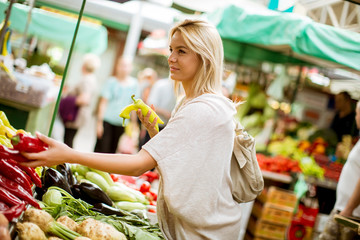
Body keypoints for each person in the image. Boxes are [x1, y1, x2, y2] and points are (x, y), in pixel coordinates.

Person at [22, 19, 242, 239]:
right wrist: (155, 132)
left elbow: (139, 165)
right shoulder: (194, 102)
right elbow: (183, 160)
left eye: (181, 51)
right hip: (200, 225)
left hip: (204, 232)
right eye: (171, 49)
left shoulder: (202, 108)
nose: (171, 58)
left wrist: (70, 154)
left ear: (204, 57)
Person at [319, 100, 360, 240]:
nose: (356, 117)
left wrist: (349, 208)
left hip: (351, 214)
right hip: (346, 209)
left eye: (357, 114)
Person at [94, 57, 139, 153]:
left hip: (121, 123)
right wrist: (99, 123)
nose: (123, 68)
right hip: (107, 121)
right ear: (117, 67)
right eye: (121, 65)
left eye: (126, 66)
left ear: (130, 68)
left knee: (112, 152)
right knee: (101, 150)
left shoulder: (134, 84)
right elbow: (103, 102)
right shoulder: (110, 82)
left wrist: (134, 125)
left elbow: (134, 106)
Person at [62, 53, 101, 148]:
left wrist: (67, 100)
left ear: (83, 66)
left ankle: (65, 161)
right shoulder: (91, 78)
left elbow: (84, 99)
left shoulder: (87, 80)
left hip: (75, 115)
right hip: (78, 115)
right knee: (68, 139)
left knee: (68, 140)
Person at [138, 77, 177, 149]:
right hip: (153, 125)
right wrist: (165, 113)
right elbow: (151, 105)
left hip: (167, 127)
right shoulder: (161, 85)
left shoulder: (181, 89)